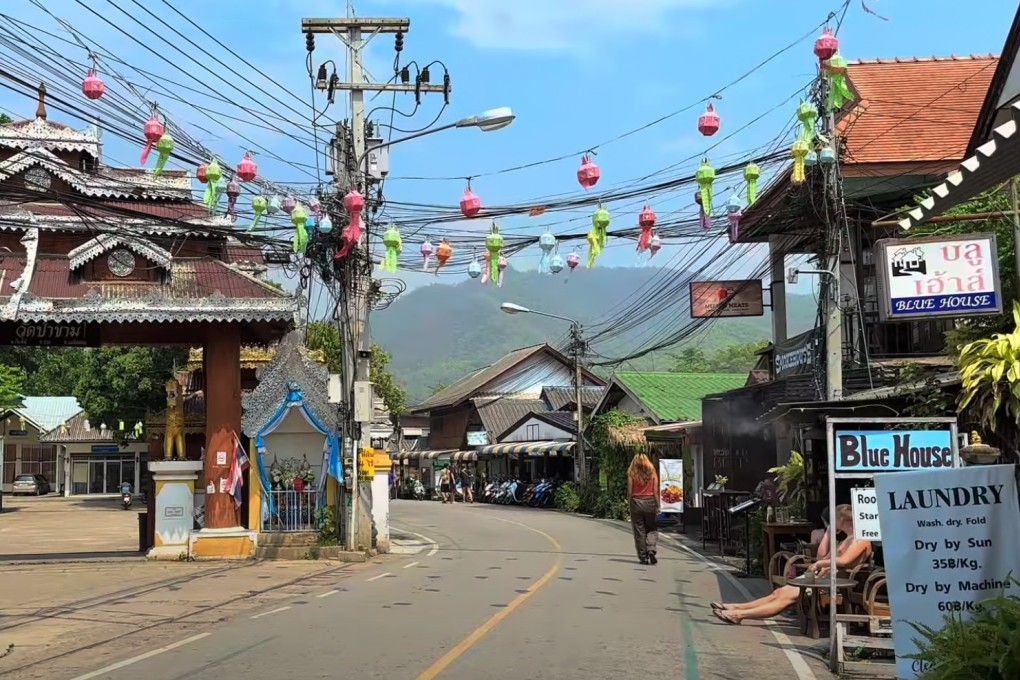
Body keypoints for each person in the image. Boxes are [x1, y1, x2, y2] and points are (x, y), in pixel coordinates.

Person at [713, 504, 872, 624]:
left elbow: (844, 561)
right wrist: (829, 533)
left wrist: (820, 565)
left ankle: (739, 615)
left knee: (786, 598)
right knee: (779, 592)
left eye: (834, 519)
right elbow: (821, 556)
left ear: (842, 520)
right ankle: (737, 608)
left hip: (834, 582)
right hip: (822, 577)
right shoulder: (846, 539)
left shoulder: (860, 539)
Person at [627, 453, 660, 565]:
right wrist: (657, 505)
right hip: (650, 502)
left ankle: (643, 557)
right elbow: (655, 491)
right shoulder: (652, 471)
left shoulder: (632, 473)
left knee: (639, 531)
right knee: (652, 528)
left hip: (636, 502)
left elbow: (630, 492)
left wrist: (630, 504)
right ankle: (651, 549)